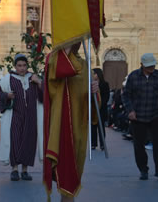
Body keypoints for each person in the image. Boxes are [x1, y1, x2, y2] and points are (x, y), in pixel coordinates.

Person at [43, 43, 99, 202]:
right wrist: (64, 47)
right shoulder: (54, 59)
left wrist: (95, 91)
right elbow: (61, 70)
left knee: (75, 169)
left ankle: (68, 199)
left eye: (79, 39)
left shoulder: (85, 64)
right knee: (64, 169)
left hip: (79, 125)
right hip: (61, 124)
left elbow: (92, 104)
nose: (78, 41)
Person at [122, 53, 158, 181]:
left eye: (153, 65)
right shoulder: (134, 76)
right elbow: (126, 95)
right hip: (138, 116)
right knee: (139, 145)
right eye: (148, 66)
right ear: (141, 65)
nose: (151, 68)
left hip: (154, 115)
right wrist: (130, 110)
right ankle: (143, 170)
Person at [0, 54, 43, 181]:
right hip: (15, 117)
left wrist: (39, 82)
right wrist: (7, 95)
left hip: (31, 116)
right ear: (15, 66)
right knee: (15, 141)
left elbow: (45, 96)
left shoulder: (33, 78)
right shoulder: (8, 79)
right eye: (19, 66)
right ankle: (15, 169)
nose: (22, 68)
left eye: (24, 65)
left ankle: (25, 170)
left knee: (29, 141)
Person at [91, 68, 110, 150]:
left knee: (101, 126)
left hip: (101, 109)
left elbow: (106, 97)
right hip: (93, 108)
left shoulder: (105, 84)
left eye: (94, 73)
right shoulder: (90, 84)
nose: (93, 75)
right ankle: (93, 143)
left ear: (98, 74)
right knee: (93, 126)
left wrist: (100, 104)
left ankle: (102, 144)